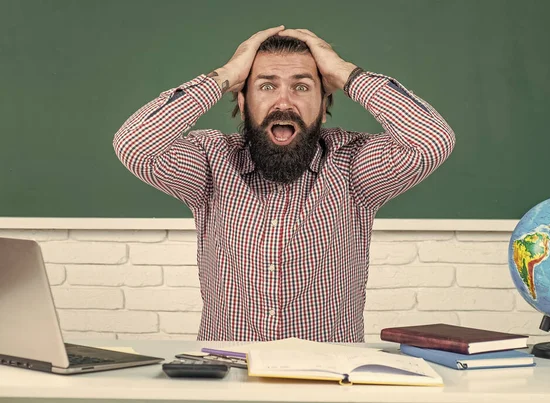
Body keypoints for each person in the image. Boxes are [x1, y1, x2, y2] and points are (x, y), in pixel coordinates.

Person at [114, 26, 455, 342]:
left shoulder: (353, 166)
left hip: (328, 379)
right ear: (243, 102)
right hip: (229, 376)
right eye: (266, 86)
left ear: (323, 107)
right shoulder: (210, 162)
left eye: (302, 87)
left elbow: (431, 140)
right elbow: (135, 145)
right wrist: (223, 76)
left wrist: (347, 74)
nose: (284, 102)